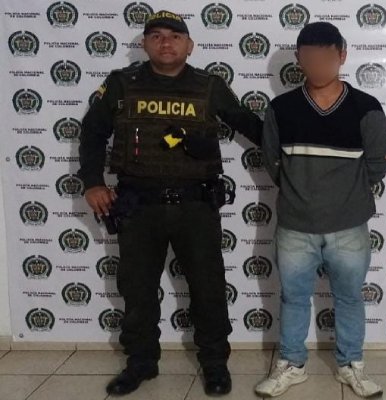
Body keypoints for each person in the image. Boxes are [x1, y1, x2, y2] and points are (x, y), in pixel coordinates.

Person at [78, 10, 262, 397]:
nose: (166, 42)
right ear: (145, 44)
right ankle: (141, 362)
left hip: (196, 206)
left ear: (189, 45)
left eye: (175, 36)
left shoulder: (209, 86)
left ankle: (214, 363)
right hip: (137, 205)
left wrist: (300, 147)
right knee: (137, 289)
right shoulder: (122, 84)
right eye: (157, 35)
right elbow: (92, 133)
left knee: (208, 288)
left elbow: (250, 125)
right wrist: (92, 182)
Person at [255, 21, 386, 398]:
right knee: (294, 298)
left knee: (349, 298)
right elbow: (272, 161)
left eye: (325, 57)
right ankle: (292, 364)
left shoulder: (366, 107)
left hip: (349, 226)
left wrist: (343, 197)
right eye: (309, 58)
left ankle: (351, 365)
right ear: (299, 59)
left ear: (342, 56)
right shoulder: (281, 108)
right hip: (295, 225)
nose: (317, 65)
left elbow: (376, 165)